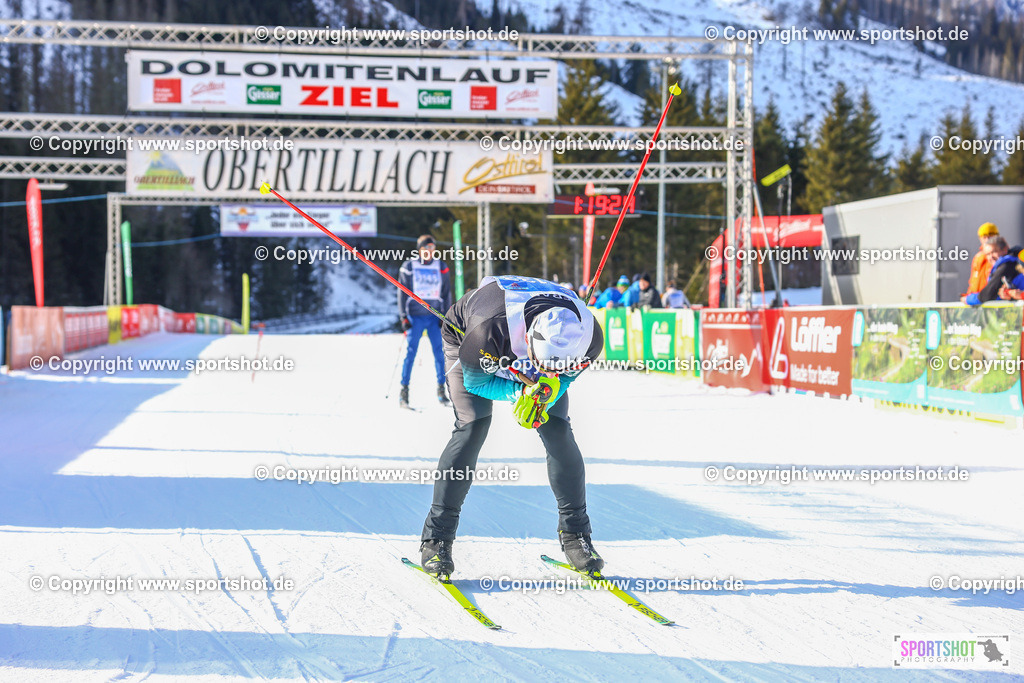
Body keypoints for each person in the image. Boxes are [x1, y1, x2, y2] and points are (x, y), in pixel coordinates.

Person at [419, 275, 605, 577]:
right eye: (541, 365)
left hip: (519, 335)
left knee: (557, 429)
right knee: (472, 426)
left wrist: (544, 395)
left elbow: (566, 377)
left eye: (554, 368)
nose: (544, 372)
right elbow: (477, 383)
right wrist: (520, 392)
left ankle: (576, 536)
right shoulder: (485, 331)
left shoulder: (590, 337)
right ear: (529, 340)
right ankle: (436, 539)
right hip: (471, 338)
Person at [398, 235, 452, 408]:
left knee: (439, 353)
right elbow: (401, 292)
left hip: (433, 316)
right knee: (411, 353)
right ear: (419, 249)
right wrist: (403, 316)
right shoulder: (409, 266)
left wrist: (445, 316)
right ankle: (404, 390)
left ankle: (441, 390)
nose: (430, 251)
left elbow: (446, 292)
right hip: (415, 316)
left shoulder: (441, 266)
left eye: (432, 248)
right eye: (426, 248)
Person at [962, 236, 1019, 305]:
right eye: (988, 254)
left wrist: (967, 299)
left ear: (1004, 249)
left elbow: (987, 294)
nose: (991, 257)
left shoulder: (1007, 266)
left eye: (994, 252)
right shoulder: (1012, 262)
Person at [967, 222, 1000, 295]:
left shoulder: (1000, 255)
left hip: (992, 299)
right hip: (977, 299)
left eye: (990, 236)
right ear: (980, 239)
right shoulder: (978, 257)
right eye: (984, 237)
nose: (987, 239)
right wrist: (969, 295)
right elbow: (973, 280)